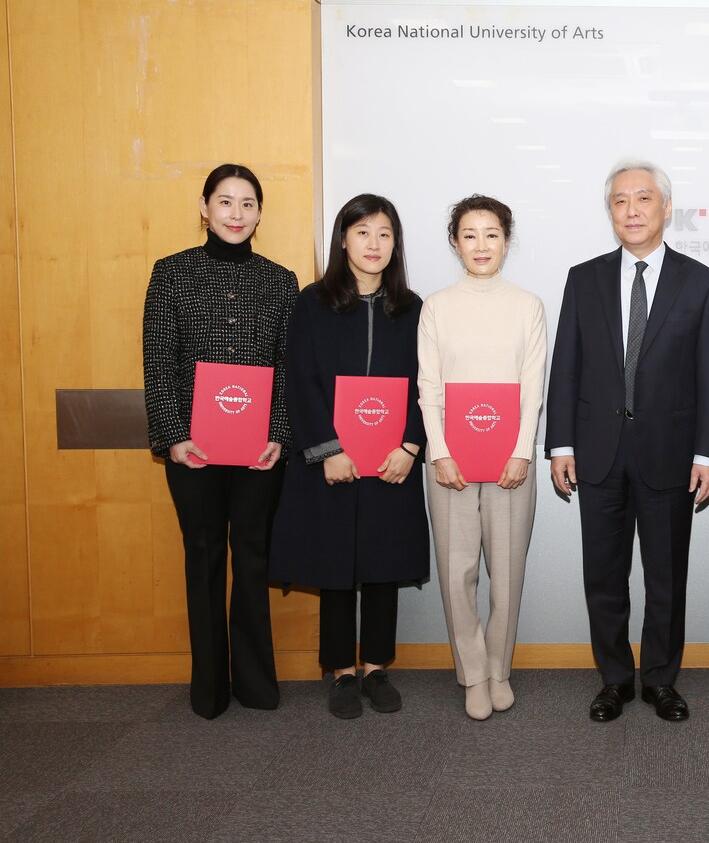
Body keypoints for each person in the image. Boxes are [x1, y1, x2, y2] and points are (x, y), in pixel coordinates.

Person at [545, 159, 709, 723]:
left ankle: (661, 681)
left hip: (671, 455)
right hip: (597, 453)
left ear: (665, 208)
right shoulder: (585, 277)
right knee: (603, 576)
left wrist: (706, 454)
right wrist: (560, 445)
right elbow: (566, 367)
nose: (632, 210)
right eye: (620, 201)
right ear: (610, 211)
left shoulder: (701, 282)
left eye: (643, 199)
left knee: (667, 577)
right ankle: (615, 680)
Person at [142, 163, 298, 719]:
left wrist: (279, 434)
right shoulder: (171, 273)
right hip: (194, 452)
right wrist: (172, 437)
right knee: (203, 558)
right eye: (226, 202)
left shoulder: (280, 280)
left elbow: (287, 367)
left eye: (248, 203)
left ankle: (256, 684)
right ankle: (208, 689)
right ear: (205, 207)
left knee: (251, 559)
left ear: (260, 213)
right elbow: (158, 362)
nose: (237, 213)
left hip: (259, 453)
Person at [268, 193, 428, 719]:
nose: (374, 244)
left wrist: (411, 445)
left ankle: (377, 666)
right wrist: (327, 450)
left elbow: (430, 386)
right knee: (335, 562)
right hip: (331, 461)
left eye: (385, 234)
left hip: (391, 460)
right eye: (363, 233)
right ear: (343, 239)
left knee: (382, 561)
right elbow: (300, 380)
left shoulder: (412, 309)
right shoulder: (312, 302)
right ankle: (340, 670)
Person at [418, 194, 547, 721]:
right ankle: (471, 673)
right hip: (449, 463)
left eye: (491, 234)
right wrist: (439, 452)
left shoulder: (527, 305)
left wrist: (522, 453)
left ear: (506, 241)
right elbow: (429, 387)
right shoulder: (437, 306)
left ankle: (498, 668)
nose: (481, 245)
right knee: (457, 572)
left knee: (508, 573)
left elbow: (532, 387)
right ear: (454, 242)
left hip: (511, 463)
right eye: (469, 234)